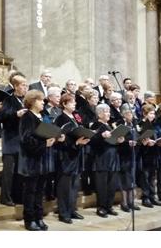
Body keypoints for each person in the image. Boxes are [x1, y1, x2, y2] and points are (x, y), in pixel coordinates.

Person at [18, 90, 63, 231]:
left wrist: (56, 137)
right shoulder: (27, 117)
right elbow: (25, 139)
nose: (43, 102)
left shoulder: (43, 116)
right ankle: (29, 220)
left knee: (40, 191)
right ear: (32, 101)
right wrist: (44, 144)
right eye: (40, 100)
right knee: (30, 191)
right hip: (32, 160)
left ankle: (39, 217)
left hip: (44, 159)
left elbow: (48, 133)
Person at [54, 94, 90, 224]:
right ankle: (63, 213)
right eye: (72, 103)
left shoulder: (76, 116)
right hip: (66, 156)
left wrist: (85, 137)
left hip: (77, 154)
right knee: (65, 186)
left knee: (75, 185)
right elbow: (60, 139)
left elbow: (81, 127)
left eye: (74, 102)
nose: (74, 105)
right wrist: (75, 143)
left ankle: (72, 209)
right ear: (64, 104)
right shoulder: (60, 119)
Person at [90, 103, 124, 218]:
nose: (108, 114)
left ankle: (109, 206)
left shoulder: (109, 125)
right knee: (102, 185)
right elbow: (92, 141)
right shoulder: (95, 125)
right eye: (106, 112)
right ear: (99, 114)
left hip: (113, 158)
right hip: (101, 158)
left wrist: (119, 140)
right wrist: (101, 136)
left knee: (112, 185)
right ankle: (101, 207)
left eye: (109, 112)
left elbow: (113, 140)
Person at [0, 75, 28, 206]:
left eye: (26, 85)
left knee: (19, 171)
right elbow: (3, 116)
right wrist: (16, 114)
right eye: (23, 85)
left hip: (22, 140)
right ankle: (5, 197)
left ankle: (18, 196)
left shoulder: (26, 101)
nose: (25, 88)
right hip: (10, 139)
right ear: (15, 86)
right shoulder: (8, 99)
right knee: (8, 171)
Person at [117, 104, 141, 212]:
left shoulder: (134, 124)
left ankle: (131, 201)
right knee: (124, 179)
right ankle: (124, 202)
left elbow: (138, 136)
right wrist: (128, 143)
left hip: (133, 155)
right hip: (123, 155)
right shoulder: (119, 124)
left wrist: (139, 141)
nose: (131, 115)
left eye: (132, 113)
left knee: (132, 179)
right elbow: (118, 140)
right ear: (123, 114)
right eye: (128, 113)